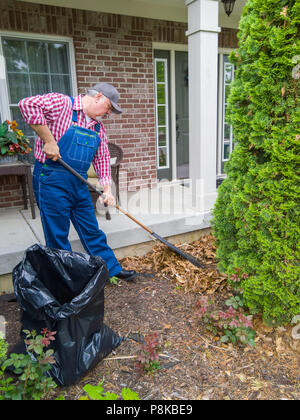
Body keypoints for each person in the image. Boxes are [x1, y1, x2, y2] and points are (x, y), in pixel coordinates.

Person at [18, 83, 137, 282]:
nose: (108, 113)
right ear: (98, 96)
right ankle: (67, 281)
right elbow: (27, 104)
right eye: (108, 107)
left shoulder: (98, 128)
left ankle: (111, 269)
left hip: (78, 183)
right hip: (51, 180)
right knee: (58, 234)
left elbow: (102, 159)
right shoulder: (61, 103)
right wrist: (49, 140)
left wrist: (108, 190)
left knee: (91, 229)